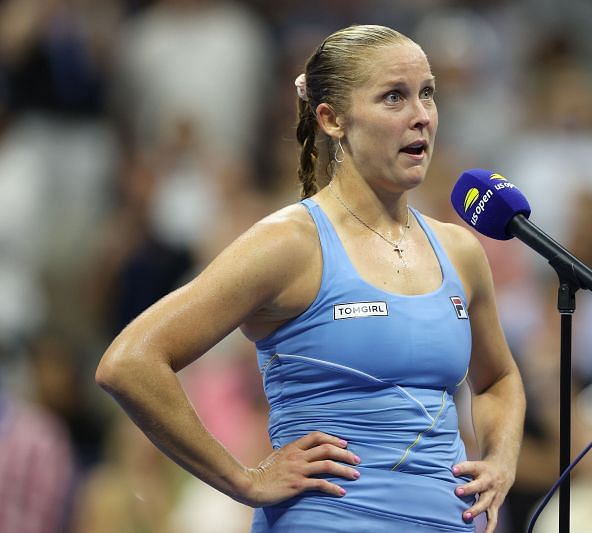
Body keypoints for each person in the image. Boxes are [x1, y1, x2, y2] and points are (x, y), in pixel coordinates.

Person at [96, 24, 525, 533]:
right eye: (394, 97)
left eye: (427, 94)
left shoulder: (460, 251)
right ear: (332, 118)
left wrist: (501, 461)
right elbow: (130, 362)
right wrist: (243, 480)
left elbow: (498, 379)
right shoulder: (290, 244)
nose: (421, 117)